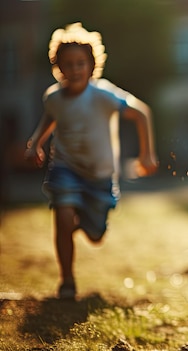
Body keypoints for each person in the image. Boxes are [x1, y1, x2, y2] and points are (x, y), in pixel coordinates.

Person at [24, 23, 159, 300]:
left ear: (92, 65)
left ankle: (80, 221)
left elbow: (142, 113)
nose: (74, 70)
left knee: (96, 235)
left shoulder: (103, 96)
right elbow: (50, 119)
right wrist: (35, 143)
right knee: (61, 215)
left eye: (80, 63)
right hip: (64, 168)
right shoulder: (53, 97)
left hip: (99, 176)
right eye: (68, 64)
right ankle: (67, 281)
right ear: (58, 67)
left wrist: (146, 154)